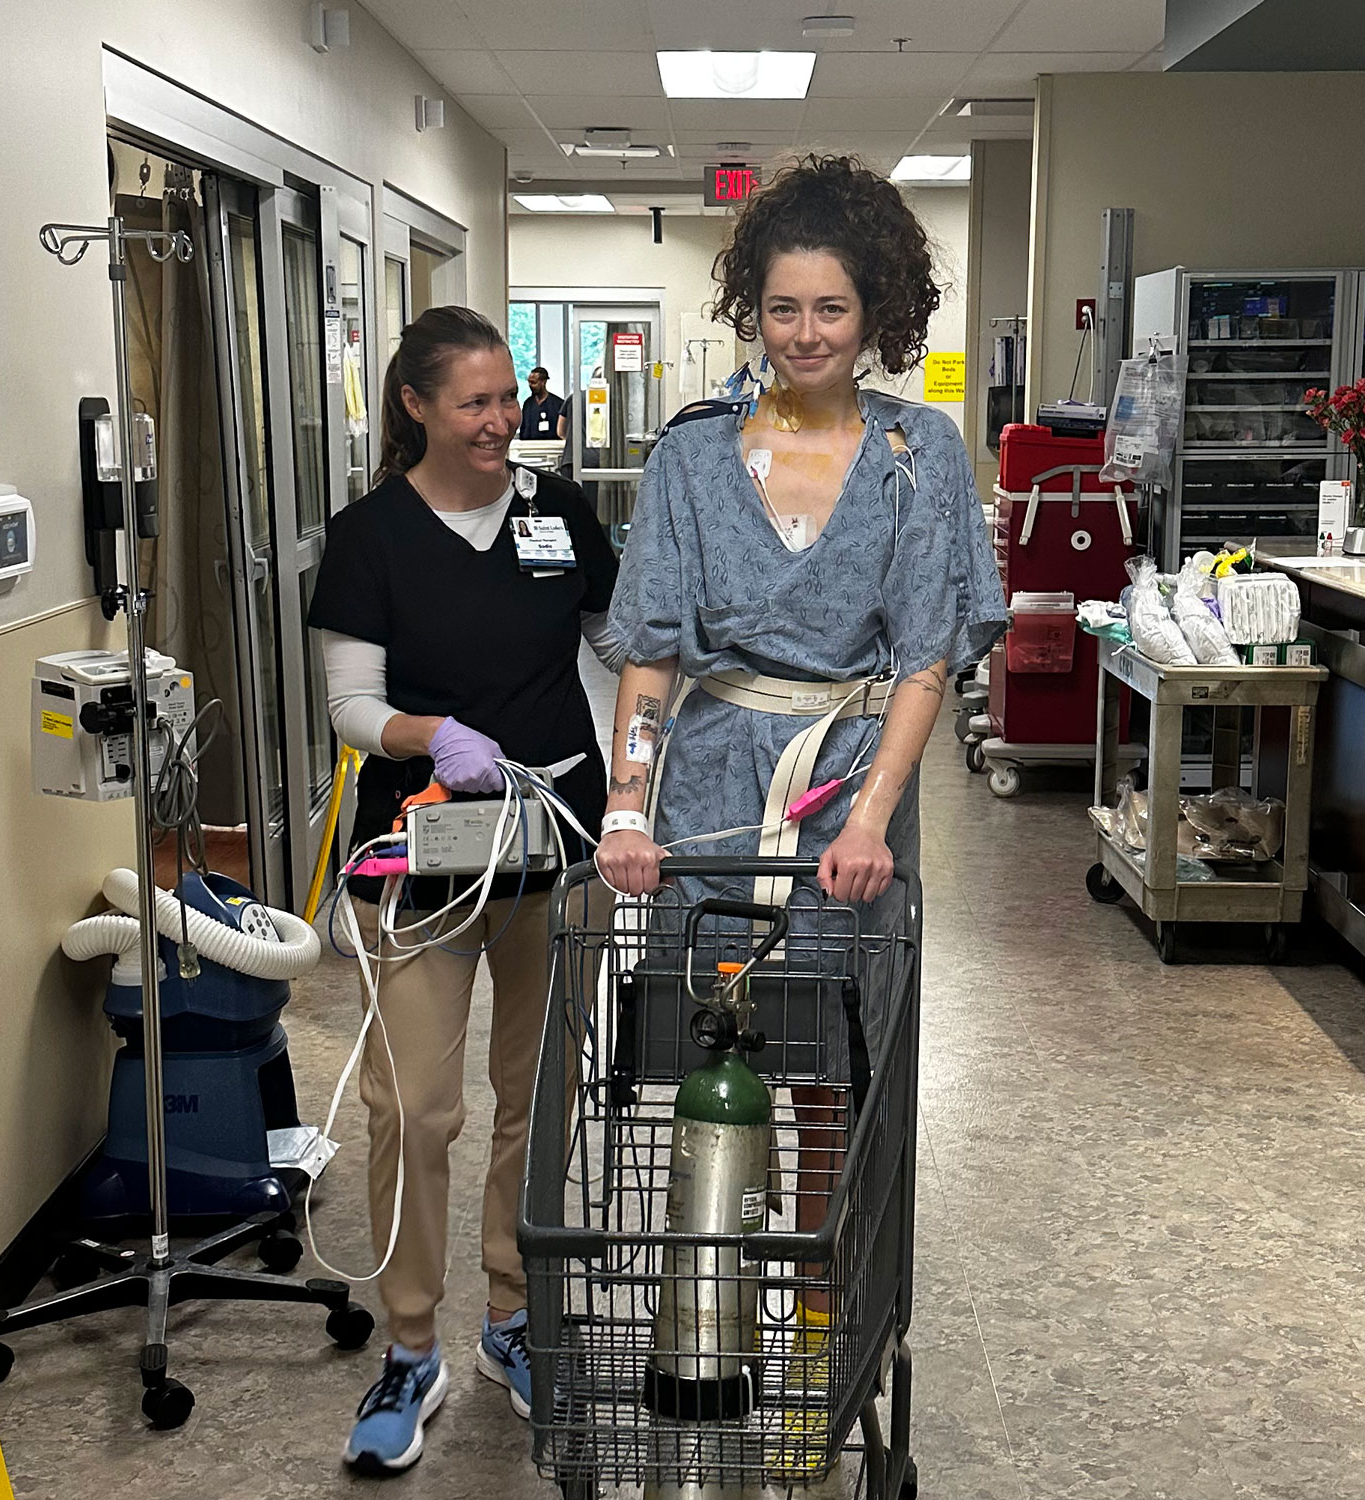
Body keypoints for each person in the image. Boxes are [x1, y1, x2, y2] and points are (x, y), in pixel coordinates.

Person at [593, 155, 1006, 1472]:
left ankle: (820, 1339)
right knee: (715, 1055)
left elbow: (929, 658)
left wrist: (874, 818)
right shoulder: (694, 456)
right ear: (749, 310)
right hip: (706, 806)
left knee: (832, 1083)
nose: (807, 334)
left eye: (832, 309)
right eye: (782, 309)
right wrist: (628, 799)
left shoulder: (915, 453)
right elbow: (650, 656)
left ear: (875, 312)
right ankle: (703, 1318)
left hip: (848, 798)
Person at [307, 306, 620, 1475]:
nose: (503, 423)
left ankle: (512, 1321)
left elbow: (615, 635)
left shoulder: (555, 510)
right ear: (418, 407)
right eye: (477, 402)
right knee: (415, 1107)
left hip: (556, 841)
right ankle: (407, 1345)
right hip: (424, 848)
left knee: (539, 1100)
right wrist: (431, 733)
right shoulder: (370, 536)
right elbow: (348, 707)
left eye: (509, 401)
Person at [516, 364, 562, 440]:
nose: (530, 385)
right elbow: (524, 429)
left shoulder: (558, 404)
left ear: (543, 382)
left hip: (552, 447)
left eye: (534, 382)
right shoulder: (528, 404)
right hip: (529, 447)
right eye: (529, 382)